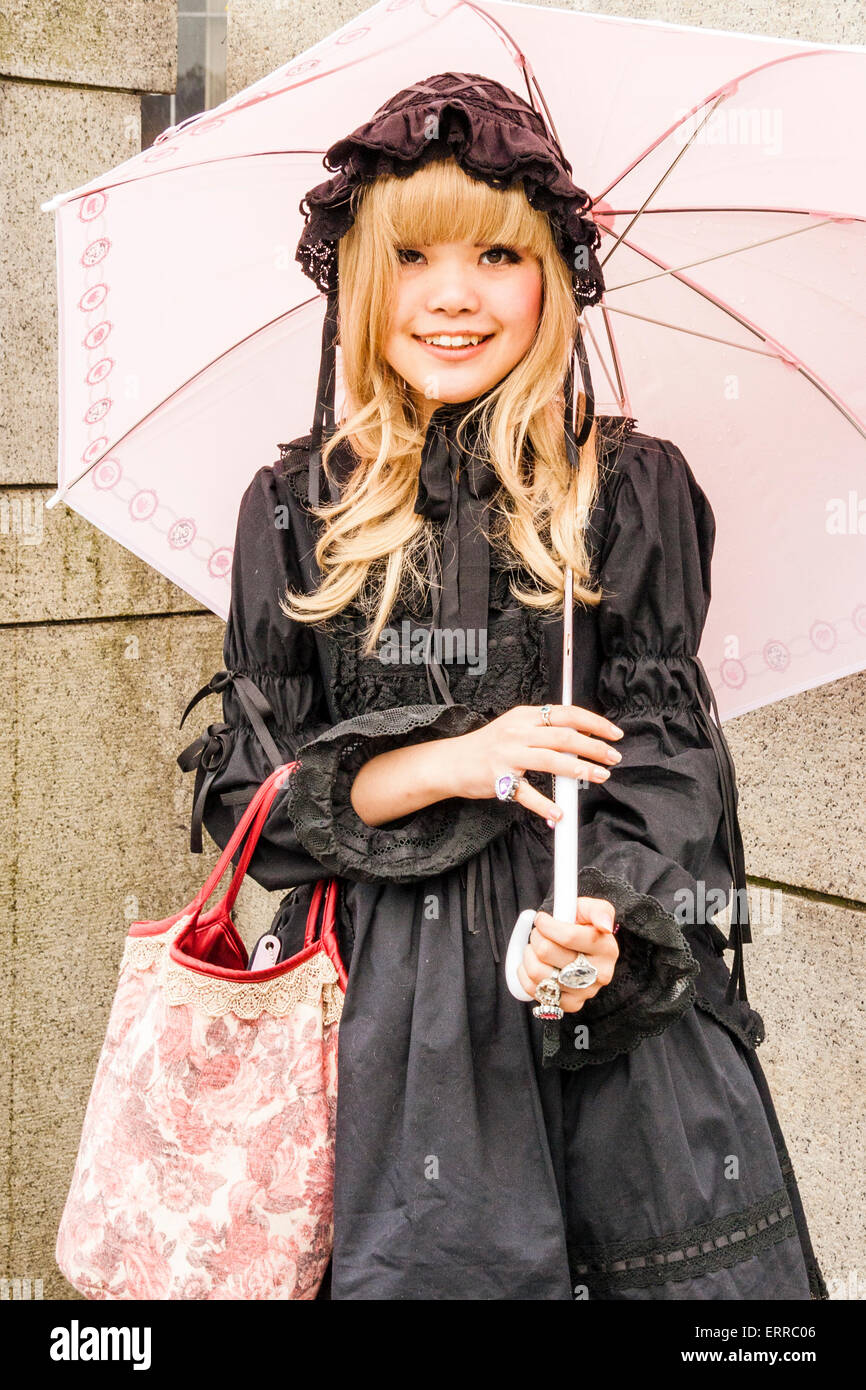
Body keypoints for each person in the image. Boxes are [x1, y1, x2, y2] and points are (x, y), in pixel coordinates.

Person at [178, 74, 826, 1301]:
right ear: (361, 282)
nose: (454, 295)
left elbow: (670, 760)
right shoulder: (292, 508)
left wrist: (614, 924)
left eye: (497, 254)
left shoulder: (625, 490)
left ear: (553, 279)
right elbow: (244, 800)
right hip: (382, 1025)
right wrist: (444, 761)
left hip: (603, 1027)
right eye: (412, 256)